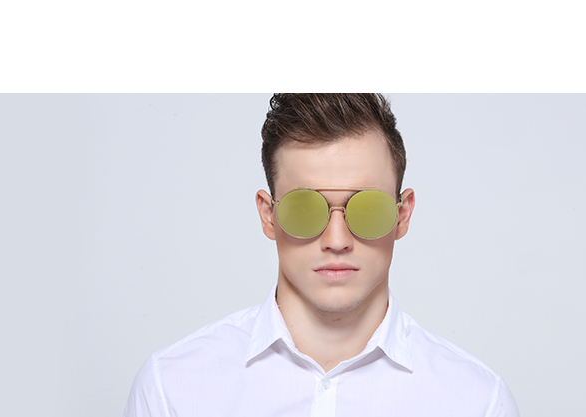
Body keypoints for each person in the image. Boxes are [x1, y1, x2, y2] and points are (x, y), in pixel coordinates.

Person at [123, 94, 519, 417]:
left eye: (367, 209)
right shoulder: (170, 389)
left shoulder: (478, 403)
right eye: (305, 208)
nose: (336, 239)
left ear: (402, 216)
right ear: (269, 216)